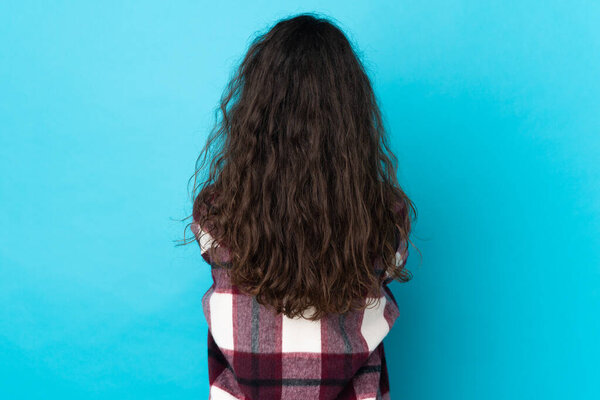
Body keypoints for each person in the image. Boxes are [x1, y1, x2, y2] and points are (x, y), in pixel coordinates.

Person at [184, 12, 417, 400]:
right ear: (352, 117)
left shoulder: (216, 213)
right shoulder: (385, 216)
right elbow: (391, 268)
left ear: (254, 114)